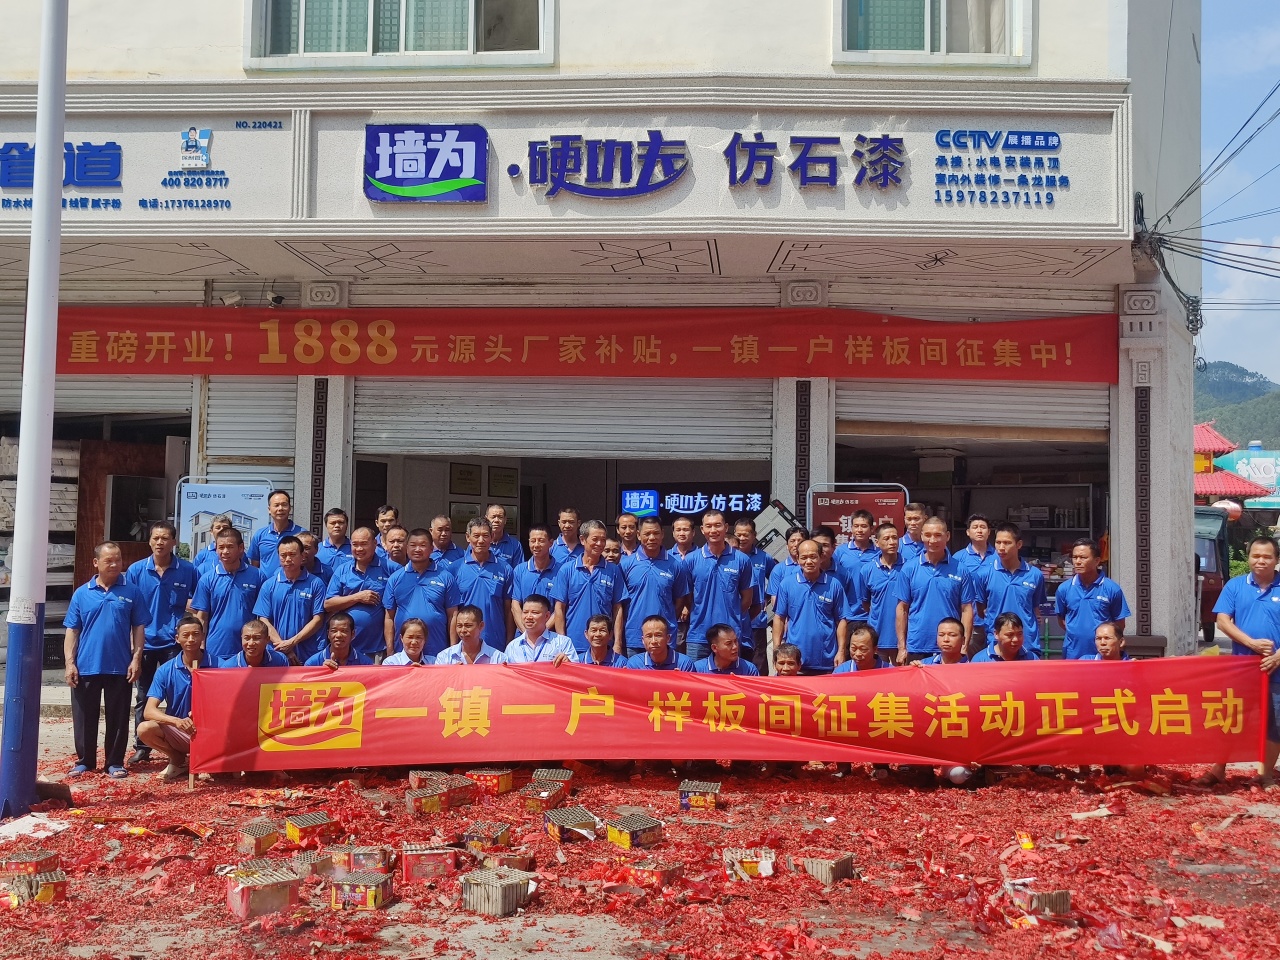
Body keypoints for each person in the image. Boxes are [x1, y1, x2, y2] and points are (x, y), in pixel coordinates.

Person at [64, 541, 150, 778]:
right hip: (86, 665)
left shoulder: (132, 591)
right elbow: (72, 630)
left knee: (119, 717)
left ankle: (114, 762)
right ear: (96, 563)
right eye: (108, 560)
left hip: (119, 666)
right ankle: (85, 761)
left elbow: (139, 628)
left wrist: (136, 659)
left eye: (118, 560)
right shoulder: (82, 593)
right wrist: (70, 663)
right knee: (84, 717)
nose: (114, 564)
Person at [1201, 536, 1280, 786]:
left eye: (1267, 556)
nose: (1260, 561)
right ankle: (1218, 769)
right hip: (1243, 668)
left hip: (1277, 670)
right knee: (1232, 720)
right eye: (1256, 556)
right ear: (1248, 558)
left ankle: (1265, 774)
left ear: (1276, 559)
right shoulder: (1235, 586)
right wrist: (1251, 643)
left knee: (1275, 724)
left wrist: (1278, 656)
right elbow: (1223, 620)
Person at [124, 521, 199, 766]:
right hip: (145, 642)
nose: (160, 542)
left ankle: (183, 741)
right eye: (156, 538)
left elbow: (198, 604)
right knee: (144, 696)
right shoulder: (136, 570)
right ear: (149, 541)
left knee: (181, 693)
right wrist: (133, 645)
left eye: (165, 538)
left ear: (174, 542)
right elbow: (129, 608)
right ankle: (142, 746)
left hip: (174, 643)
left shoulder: (188, 570)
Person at [136, 616, 209, 782]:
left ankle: (207, 761)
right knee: (144, 729)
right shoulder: (165, 670)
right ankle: (177, 759)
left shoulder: (219, 665)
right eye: (186, 635)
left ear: (203, 636)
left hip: (212, 732)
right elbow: (149, 711)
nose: (191, 639)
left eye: (195, 634)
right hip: (180, 730)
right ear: (177, 638)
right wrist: (176, 721)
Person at [895, 517, 974, 665]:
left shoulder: (961, 569)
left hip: (950, 646)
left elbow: (966, 610)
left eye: (938, 535)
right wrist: (901, 647)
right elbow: (902, 609)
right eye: (928, 535)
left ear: (947, 536)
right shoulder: (909, 568)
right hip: (917, 644)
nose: (932, 540)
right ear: (921, 536)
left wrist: (964, 645)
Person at [774, 539, 850, 675]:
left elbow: (842, 620)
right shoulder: (787, 584)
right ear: (797, 559)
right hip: (794, 661)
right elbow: (779, 618)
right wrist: (776, 650)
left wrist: (841, 651)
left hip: (826, 661)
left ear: (821, 557)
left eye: (813, 557)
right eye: (804, 557)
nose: (808, 561)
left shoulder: (834, 585)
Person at [685, 510, 753, 662]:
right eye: (708, 526)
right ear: (702, 529)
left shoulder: (741, 560)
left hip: (730, 636)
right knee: (695, 676)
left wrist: (731, 613)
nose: (713, 530)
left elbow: (747, 599)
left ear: (726, 527)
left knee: (730, 677)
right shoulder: (691, 560)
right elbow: (687, 598)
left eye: (717, 525)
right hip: (698, 636)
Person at [551, 519, 626, 655]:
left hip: (604, 646)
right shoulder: (567, 570)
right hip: (573, 645)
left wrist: (617, 643)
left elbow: (618, 609)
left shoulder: (613, 571)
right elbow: (559, 608)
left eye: (603, 540)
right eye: (595, 539)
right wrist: (562, 643)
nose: (600, 544)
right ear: (582, 540)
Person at [972, 523, 1047, 656]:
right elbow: (981, 610)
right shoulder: (983, 574)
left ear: (1019, 544)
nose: (1001, 547)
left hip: (1028, 643)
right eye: (998, 542)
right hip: (997, 644)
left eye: (1007, 543)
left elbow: (1035, 608)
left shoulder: (1035, 575)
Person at [191, 527, 265, 663]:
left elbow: (263, 616)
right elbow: (202, 617)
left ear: (241, 548)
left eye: (230, 547)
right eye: (221, 547)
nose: (225, 551)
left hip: (249, 648)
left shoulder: (257, 576)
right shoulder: (207, 579)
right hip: (216, 649)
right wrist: (200, 647)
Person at [620, 516, 691, 657]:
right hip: (634, 636)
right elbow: (620, 603)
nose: (652, 538)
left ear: (662, 534)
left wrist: (667, 618)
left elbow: (680, 600)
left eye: (656, 533)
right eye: (647, 534)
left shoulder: (675, 565)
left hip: (665, 637)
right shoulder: (626, 564)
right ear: (638, 535)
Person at [383, 527, 458, 658]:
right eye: (413, 545)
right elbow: (389, 617)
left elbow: (453, 616)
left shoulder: (446, 577)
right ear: (407, 548)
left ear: (431, 549)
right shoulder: (395, 578)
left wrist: (453, 650)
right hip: (404, 652)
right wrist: (390, 650)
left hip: (437, 650)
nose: (417, 549)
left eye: (423, 545)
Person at [323, 526, 396, 660]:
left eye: (364, 544)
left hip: (377, 648)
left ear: (375, 544)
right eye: (355, 544)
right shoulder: (342, 570)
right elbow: (328, 604)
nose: (359, 549)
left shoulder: (391, 568)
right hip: (345, 648)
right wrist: (357, 597)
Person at [253, 535, 327, 663]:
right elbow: (263, 620)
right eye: (283, 555)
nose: (287, 559)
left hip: (308, 654)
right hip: (276, 654)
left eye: (292, 554)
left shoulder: (316, 584)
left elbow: (318, 619)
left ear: (302, 556)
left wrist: (292, 642)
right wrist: (283, 647)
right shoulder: (269, 585)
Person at [1054, 538, 1131, 660]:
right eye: (1075, 557)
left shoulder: (1112, 589)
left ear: (1097, 561)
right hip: (1073, 653)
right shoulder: (1064, 589)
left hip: (1102, 655)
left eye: (1083, 557)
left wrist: (1104, 642)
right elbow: (1062, 620)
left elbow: (1119, 624)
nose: (1077, 562)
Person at [451, 517, 515, 649]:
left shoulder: (505, 569)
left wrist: (509, 642)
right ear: (468, 537)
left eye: (485, 536)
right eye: (476, 536)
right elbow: (452, 612)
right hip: (464, 644)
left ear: (492, 537)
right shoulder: (455, 569)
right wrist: (453, 646)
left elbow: (509, 610)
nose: (481, 540)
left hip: (495, 643)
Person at [854, 522, 906, 666]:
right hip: (877, 637)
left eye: (894, 538)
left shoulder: (908, 567)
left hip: (902, 639)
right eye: (887, 538)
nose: (892, 542)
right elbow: (866, 603)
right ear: (877, 542)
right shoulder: (867, 570)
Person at [734, 517, 778, 676]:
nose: (742, 538)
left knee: (758, 658)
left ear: (754, 535)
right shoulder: (729, 557)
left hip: (756, 619)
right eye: (738, 534)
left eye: (746, 534)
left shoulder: (764, 557)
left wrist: (766, 598)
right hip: (733, 618)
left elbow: (776, 578)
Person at [502, 594, 579, 664]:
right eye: (525, 612)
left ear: (547, 616)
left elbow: (576, 672)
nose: (528, 617)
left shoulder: (562, 643)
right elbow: (506, 673)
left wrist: (568, 663)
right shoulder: (513, 647)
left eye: (534, 612)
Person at [247, 490, 305, 575]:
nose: (280, 508)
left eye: (284, 505)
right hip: (265, 583)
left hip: (294, 582)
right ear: (269, 509)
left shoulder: (302, 534)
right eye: (276, 505)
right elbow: (254, 565)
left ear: (290, 508)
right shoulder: (260, 535)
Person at [510, 524, 561, 617]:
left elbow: (560, 607)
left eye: (541, 541)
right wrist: (524, 626)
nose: (536, 545)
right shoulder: (519, 570)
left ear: (551, 543)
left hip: (550, 625)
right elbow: (515, 605)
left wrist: (544, 626)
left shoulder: (561, 571)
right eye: (533, 541)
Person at [436, 605, 504, 664]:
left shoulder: (498, 659)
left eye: (468, 626)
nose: (463, 630)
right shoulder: (444, 658)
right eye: (459, 626)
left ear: (481, 626)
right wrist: (453, 673)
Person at [305, 612, 374, 668]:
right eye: (334, 631)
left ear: (352, 634)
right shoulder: (312, 664)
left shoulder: (365, 664)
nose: (338, 635)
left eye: (344, 631)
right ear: (328, 634)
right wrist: (323, 672)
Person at [627, 616, 696, 671]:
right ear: (643, 640)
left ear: (668, 638)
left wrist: (680, 680)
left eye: (658, 635)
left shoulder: (684, 664)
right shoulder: (635, 665)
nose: (653, 641)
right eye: (649, 636)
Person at [693, 623, 760, 676]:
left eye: (735, 641)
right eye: (729, 643)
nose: (735, 647)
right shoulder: (697, 670)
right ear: (714, 648)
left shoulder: (749, 669)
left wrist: (739, 683)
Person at [834, 510, 878, 587]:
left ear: (871, 529)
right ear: (851, 528)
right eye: (856, 526)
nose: (859, 530)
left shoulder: (879, 553)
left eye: (864, 526)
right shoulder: (840, 551)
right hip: (847, 595)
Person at [971, 612, 1039, 662]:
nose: (1015, 639)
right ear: (996, 634)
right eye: (1010, 635)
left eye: (1019, 634)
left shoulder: (1032, 659)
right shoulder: (980, 660)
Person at [221, 619, 289, 667]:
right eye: (247, 638)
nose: (251, 643)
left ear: (267, 640)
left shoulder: (280, 660)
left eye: (257, 638)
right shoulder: (229, 666)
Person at [486, 504, 526, 569]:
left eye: (500, 517)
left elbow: (518, 571)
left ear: (505, 520)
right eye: (493, 517)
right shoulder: (479, 542)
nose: (496, 520)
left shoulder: (515, 545)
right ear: (486, 519)